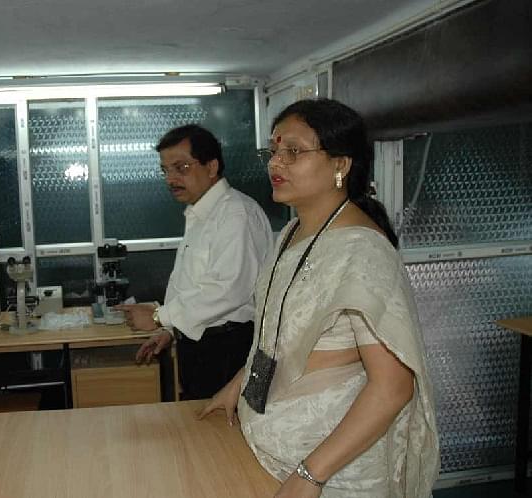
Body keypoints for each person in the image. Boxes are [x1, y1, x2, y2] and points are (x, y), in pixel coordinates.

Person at [199, 98, 439, 498]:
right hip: (269, 447)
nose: (276, 163)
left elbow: (394, 386)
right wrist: (239, 384)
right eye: (273, 151)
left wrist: (310, 475)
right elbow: (281, 336)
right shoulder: (291, 233)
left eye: (293, 151)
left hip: (329, 470)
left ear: (340, 164)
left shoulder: (363, 253)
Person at [120, 124, 273, 400]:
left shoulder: (235, 214)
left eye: (181, 168)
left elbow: (229, 290)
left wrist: (158, 316)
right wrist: (169, 330)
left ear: (211, 167)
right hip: (201, 345)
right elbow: (191, 284)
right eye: (165, 170)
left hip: (228, 349)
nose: (171, 179)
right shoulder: (201, 213)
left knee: (222, 426)